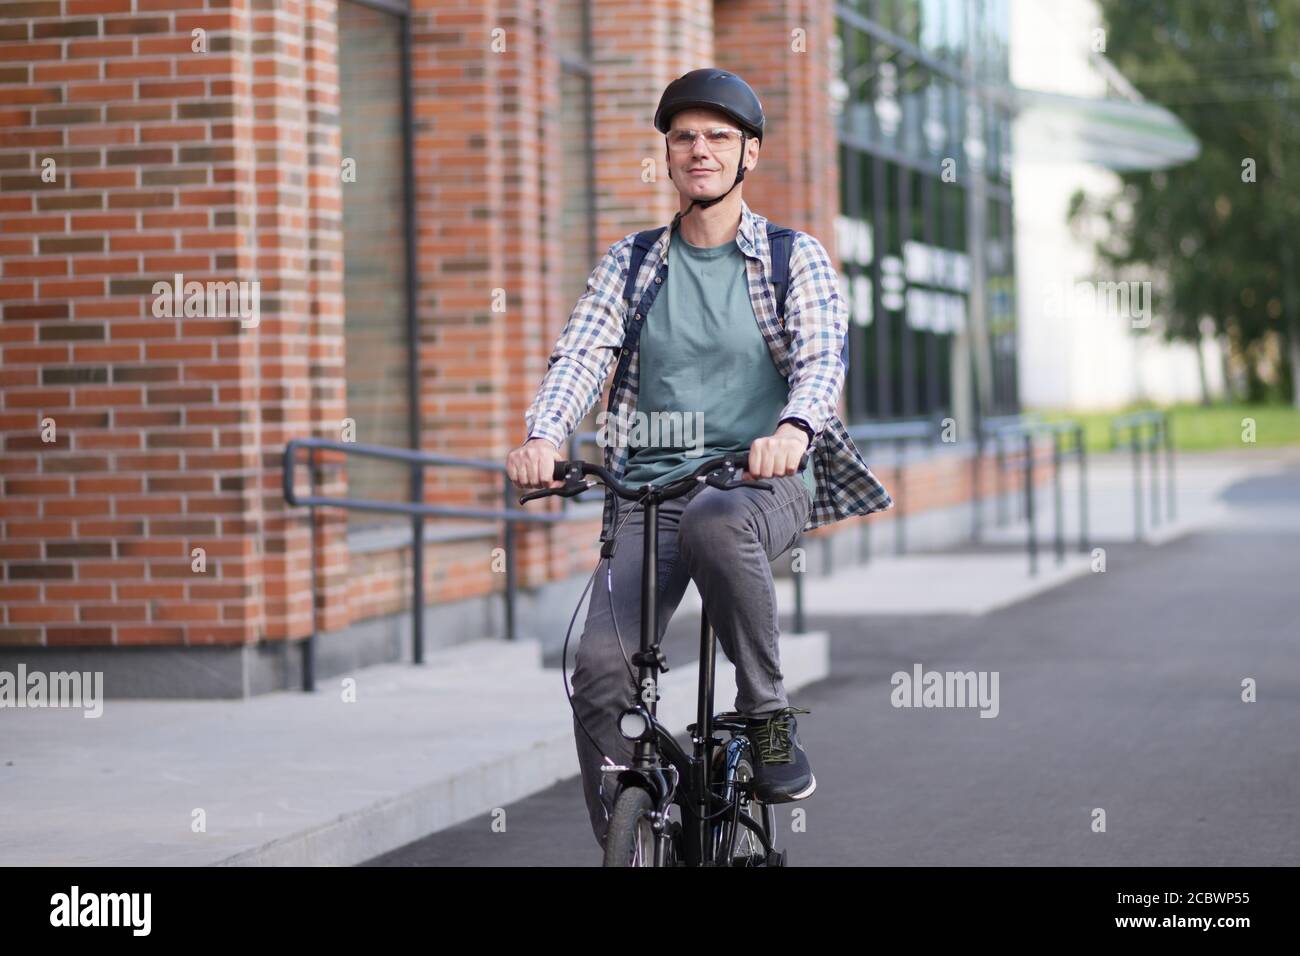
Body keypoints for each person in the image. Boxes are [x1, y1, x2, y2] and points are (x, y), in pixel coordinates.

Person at [506, 68, 894, 851]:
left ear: (749, 154)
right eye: (684, 136)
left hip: (759, 483)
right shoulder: (634, 262)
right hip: (648, 493)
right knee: (597, 672)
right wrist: (546, 435)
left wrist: (791, 428)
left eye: (719, 136)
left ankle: (768, 715)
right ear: (669, 156)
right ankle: (633, 831)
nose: (700, 150)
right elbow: (580, 355)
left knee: (719, 523)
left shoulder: (794, 258)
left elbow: (822, 362)